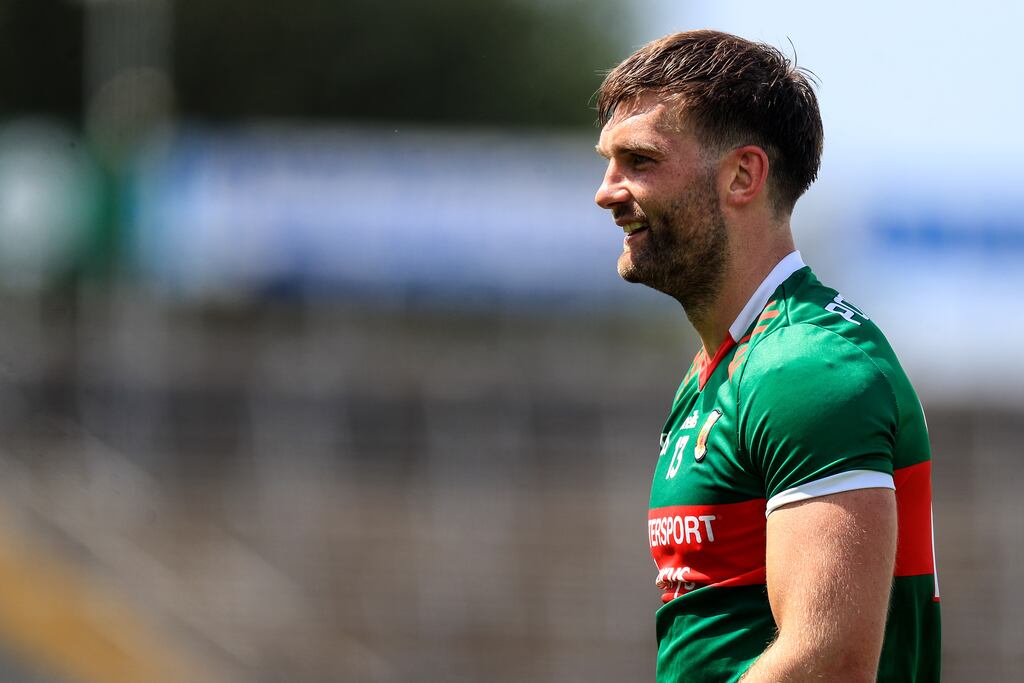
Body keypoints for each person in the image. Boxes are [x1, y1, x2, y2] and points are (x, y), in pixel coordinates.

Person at [593, 30, 940, 682]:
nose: (607, 191)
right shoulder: (728, 363)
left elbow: (829, 662)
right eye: (609, 161)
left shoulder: (806, 368)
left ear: (743, 175)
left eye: (639, 160)